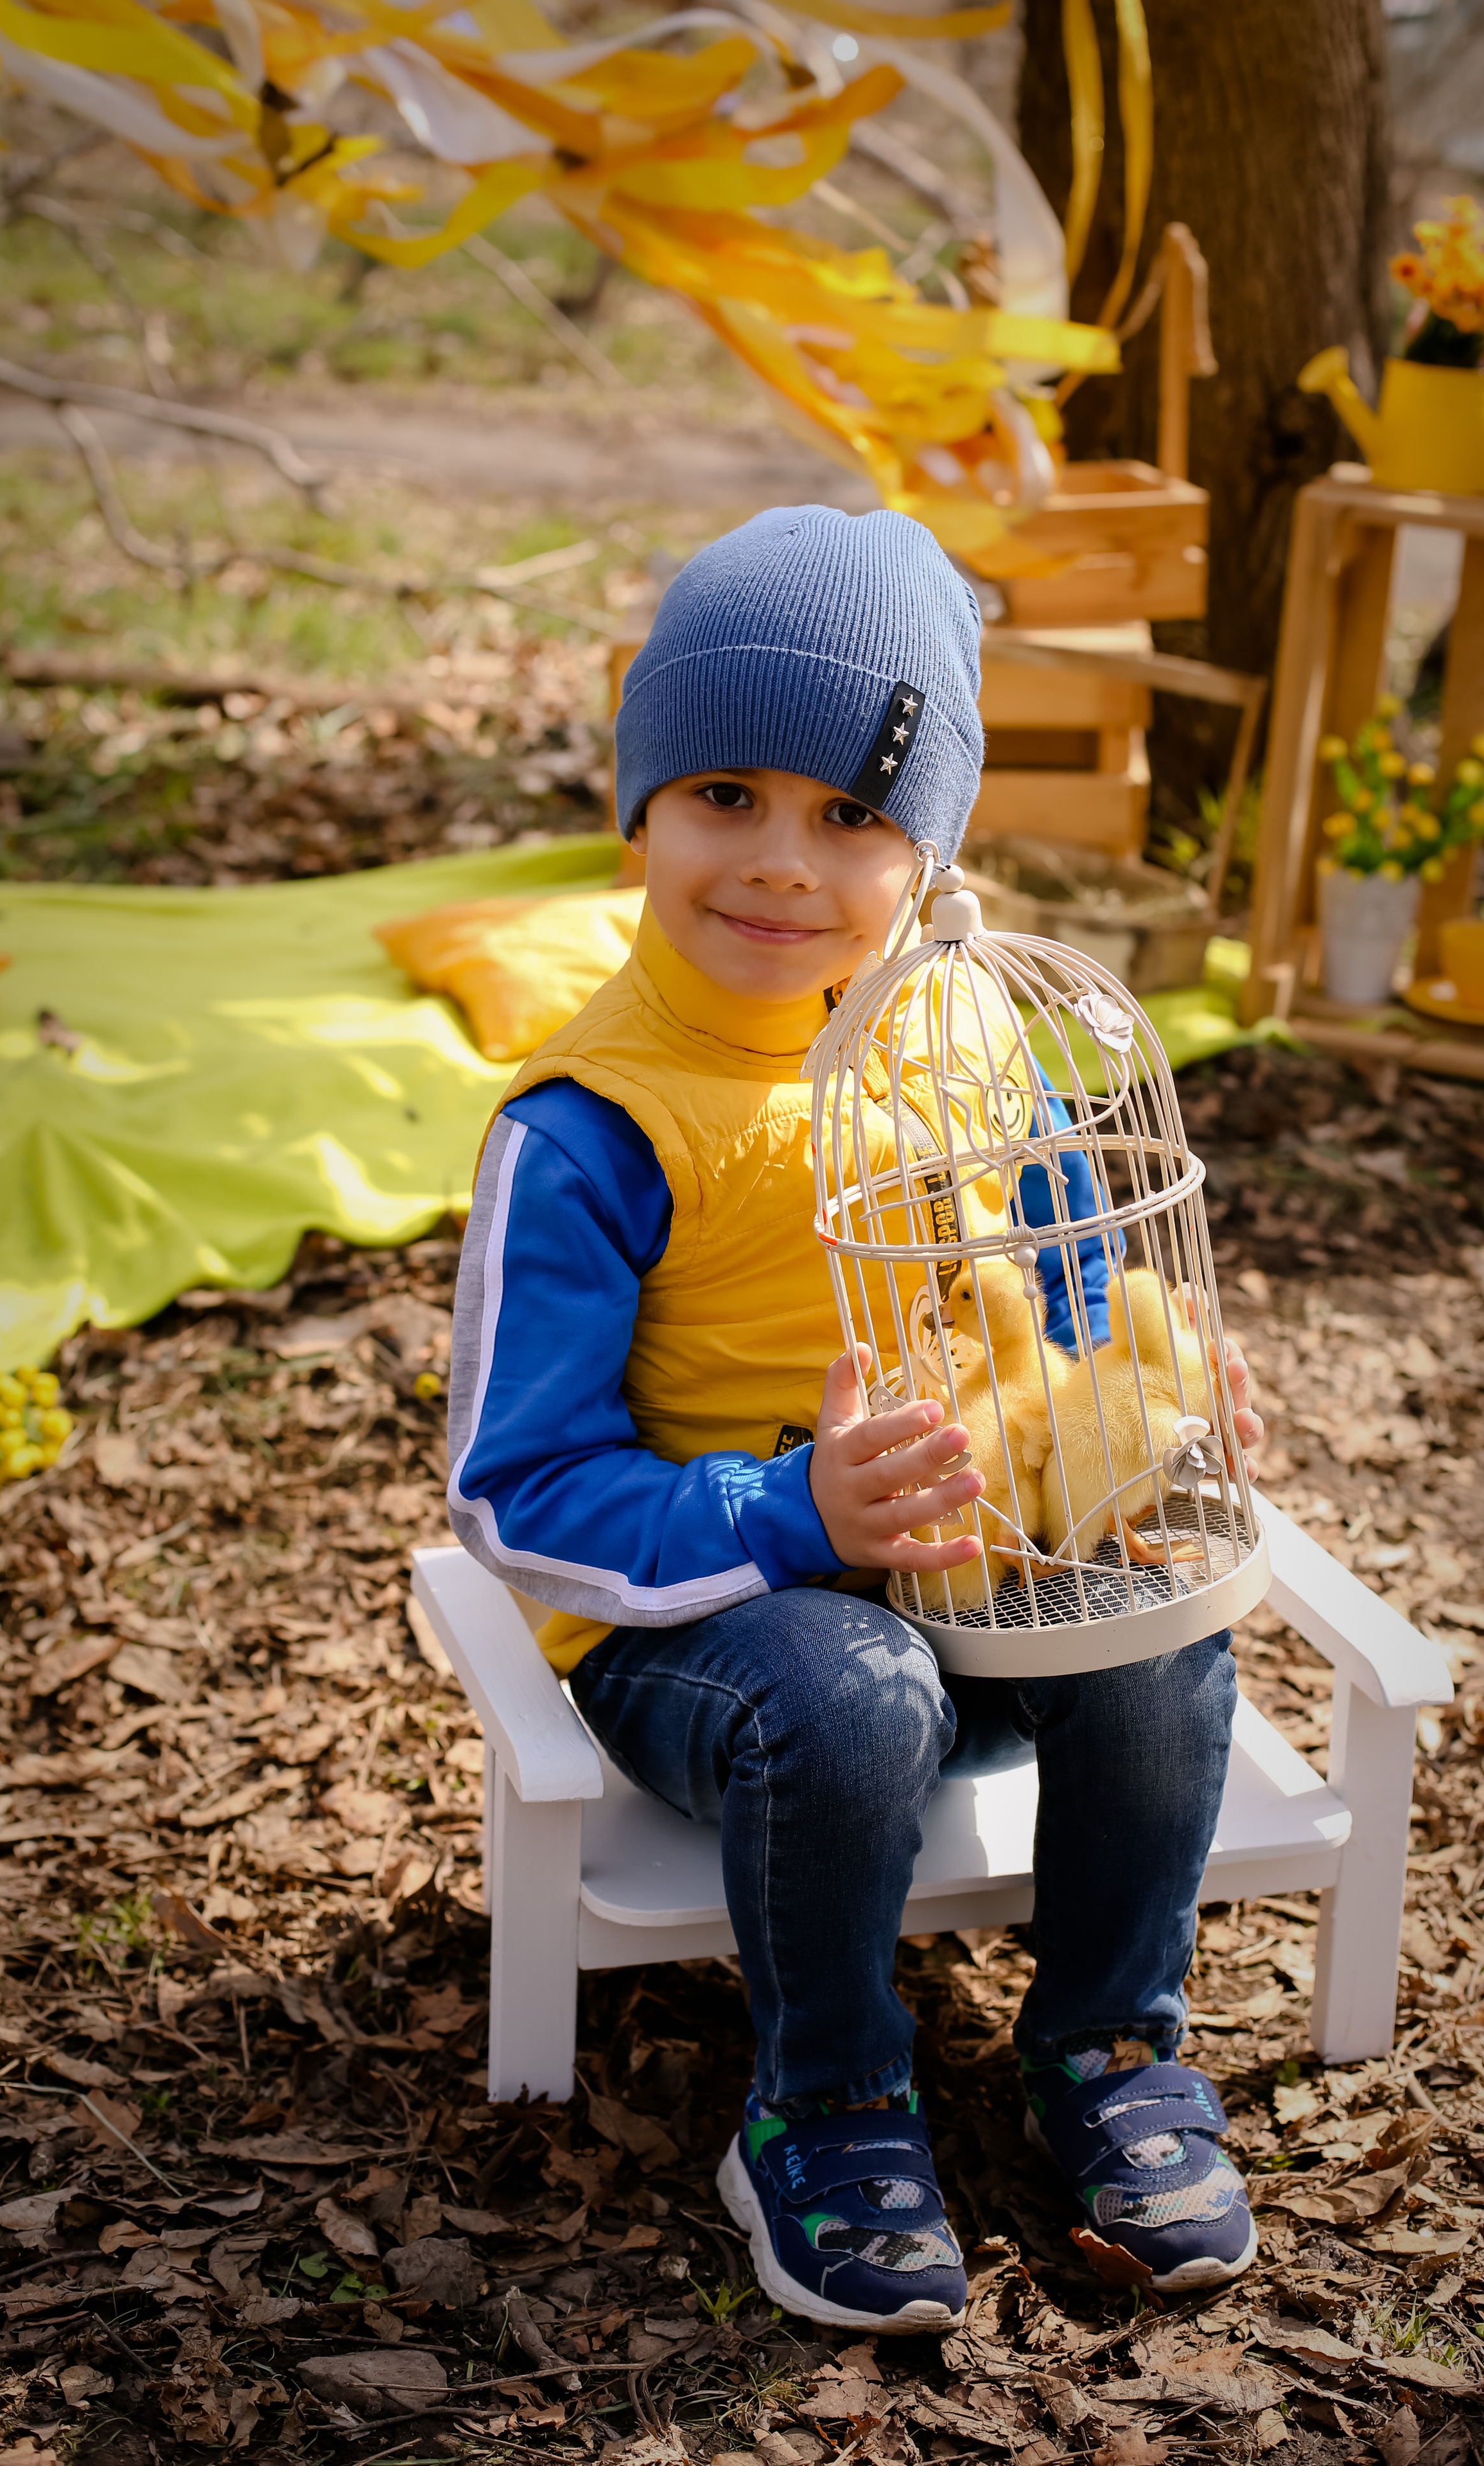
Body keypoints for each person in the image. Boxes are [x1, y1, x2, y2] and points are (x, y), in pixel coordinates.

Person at [446, 506, 1266, 2333]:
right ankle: (823, 2101)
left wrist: (1144, 1386)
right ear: (639, 800)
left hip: (971, 1588)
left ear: (932, 845)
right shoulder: (596, 1124)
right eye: (725, 793)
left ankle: (1109, 2045)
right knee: (847, 1684)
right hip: (720, 1640)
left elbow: (1070, 1282)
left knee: (1164, 1634)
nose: (783, 866)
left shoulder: (970, 1040)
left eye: (854, 816)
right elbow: (515, 1495)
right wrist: (786, 1511)